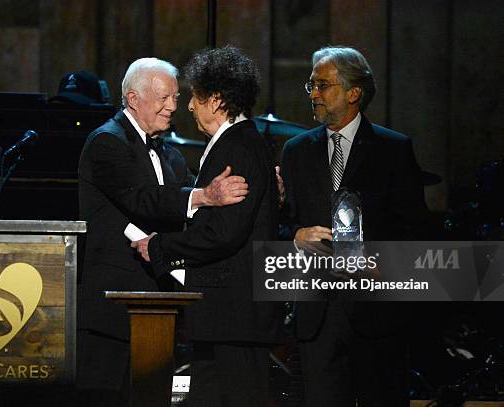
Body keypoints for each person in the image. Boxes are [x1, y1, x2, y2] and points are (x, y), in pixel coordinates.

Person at [77, 57, 249, 406]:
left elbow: (186, 208)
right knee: (103, 397)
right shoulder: (107, 143)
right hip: (112, 308)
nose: (174, 106)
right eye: (164, 98)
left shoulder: (169, 155)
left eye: (175, 97)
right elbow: (144, 200)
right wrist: (204, 196)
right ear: (133, 99)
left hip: (158, 306)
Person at [133, 46, 284, 407]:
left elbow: (223, 232)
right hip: (227, 315)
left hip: (235, 314)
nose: (188, 106)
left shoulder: (237, 147)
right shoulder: (240, 143)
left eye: (195, 97)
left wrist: (159, 247)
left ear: (216, 100)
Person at [280, 46, 427, 406]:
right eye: (311, 86)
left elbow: (415, 229)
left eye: (322, 85)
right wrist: (297, 237)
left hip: (376, 312)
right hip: (317, 314)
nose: (313, 94)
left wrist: (384, 263)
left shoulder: (393, 149)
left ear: (353, 92)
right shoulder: (295, 151)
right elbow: (279, 225)